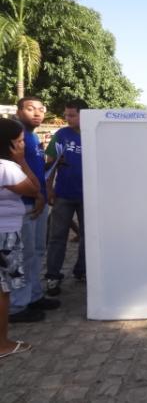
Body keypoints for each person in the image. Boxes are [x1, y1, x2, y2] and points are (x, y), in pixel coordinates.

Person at [9, 97, 60, 323]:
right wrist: (37, 193)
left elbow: (36, 167)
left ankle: (34, 295)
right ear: (19, 111)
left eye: (40, 110)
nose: (36, 114)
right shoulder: (15, 136)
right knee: (24, 254)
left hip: (37, 201)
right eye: (30, 109)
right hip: (24, 203)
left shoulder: (31, 136)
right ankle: (17, 306)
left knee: (37, 251)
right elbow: (16, 166)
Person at [0, 118, 39, 358]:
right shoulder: (7, 168)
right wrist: (22, 161)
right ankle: (2, 343)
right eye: (20, 141)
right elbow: (33, 188)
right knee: (3, 289)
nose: (23, 144)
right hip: (5, 234)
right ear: (10, 144)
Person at [45, 99, 87, 296]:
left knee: (89, 236)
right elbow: (51, 162)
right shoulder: (61, 135)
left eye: (72, 115)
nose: (67, 118)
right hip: (63, 194)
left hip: (89, 196)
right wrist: (49, 189)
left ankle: (83, 271)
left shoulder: (95, 134)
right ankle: (53, 276)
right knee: (57, 237)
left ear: (84, 114)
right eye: (67, 114)